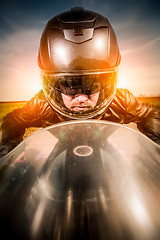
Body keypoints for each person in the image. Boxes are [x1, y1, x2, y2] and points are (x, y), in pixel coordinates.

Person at [1, 7, 160, 155]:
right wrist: (8, 151)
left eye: (92, 85)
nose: (82, 99)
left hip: (104, 147)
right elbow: (13, 120)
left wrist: (154, 150)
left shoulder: (121, 100)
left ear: (106, 83)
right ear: (53, 86)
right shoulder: (42, 104)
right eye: (69, 87)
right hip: (62, 150)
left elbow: (152, 114)